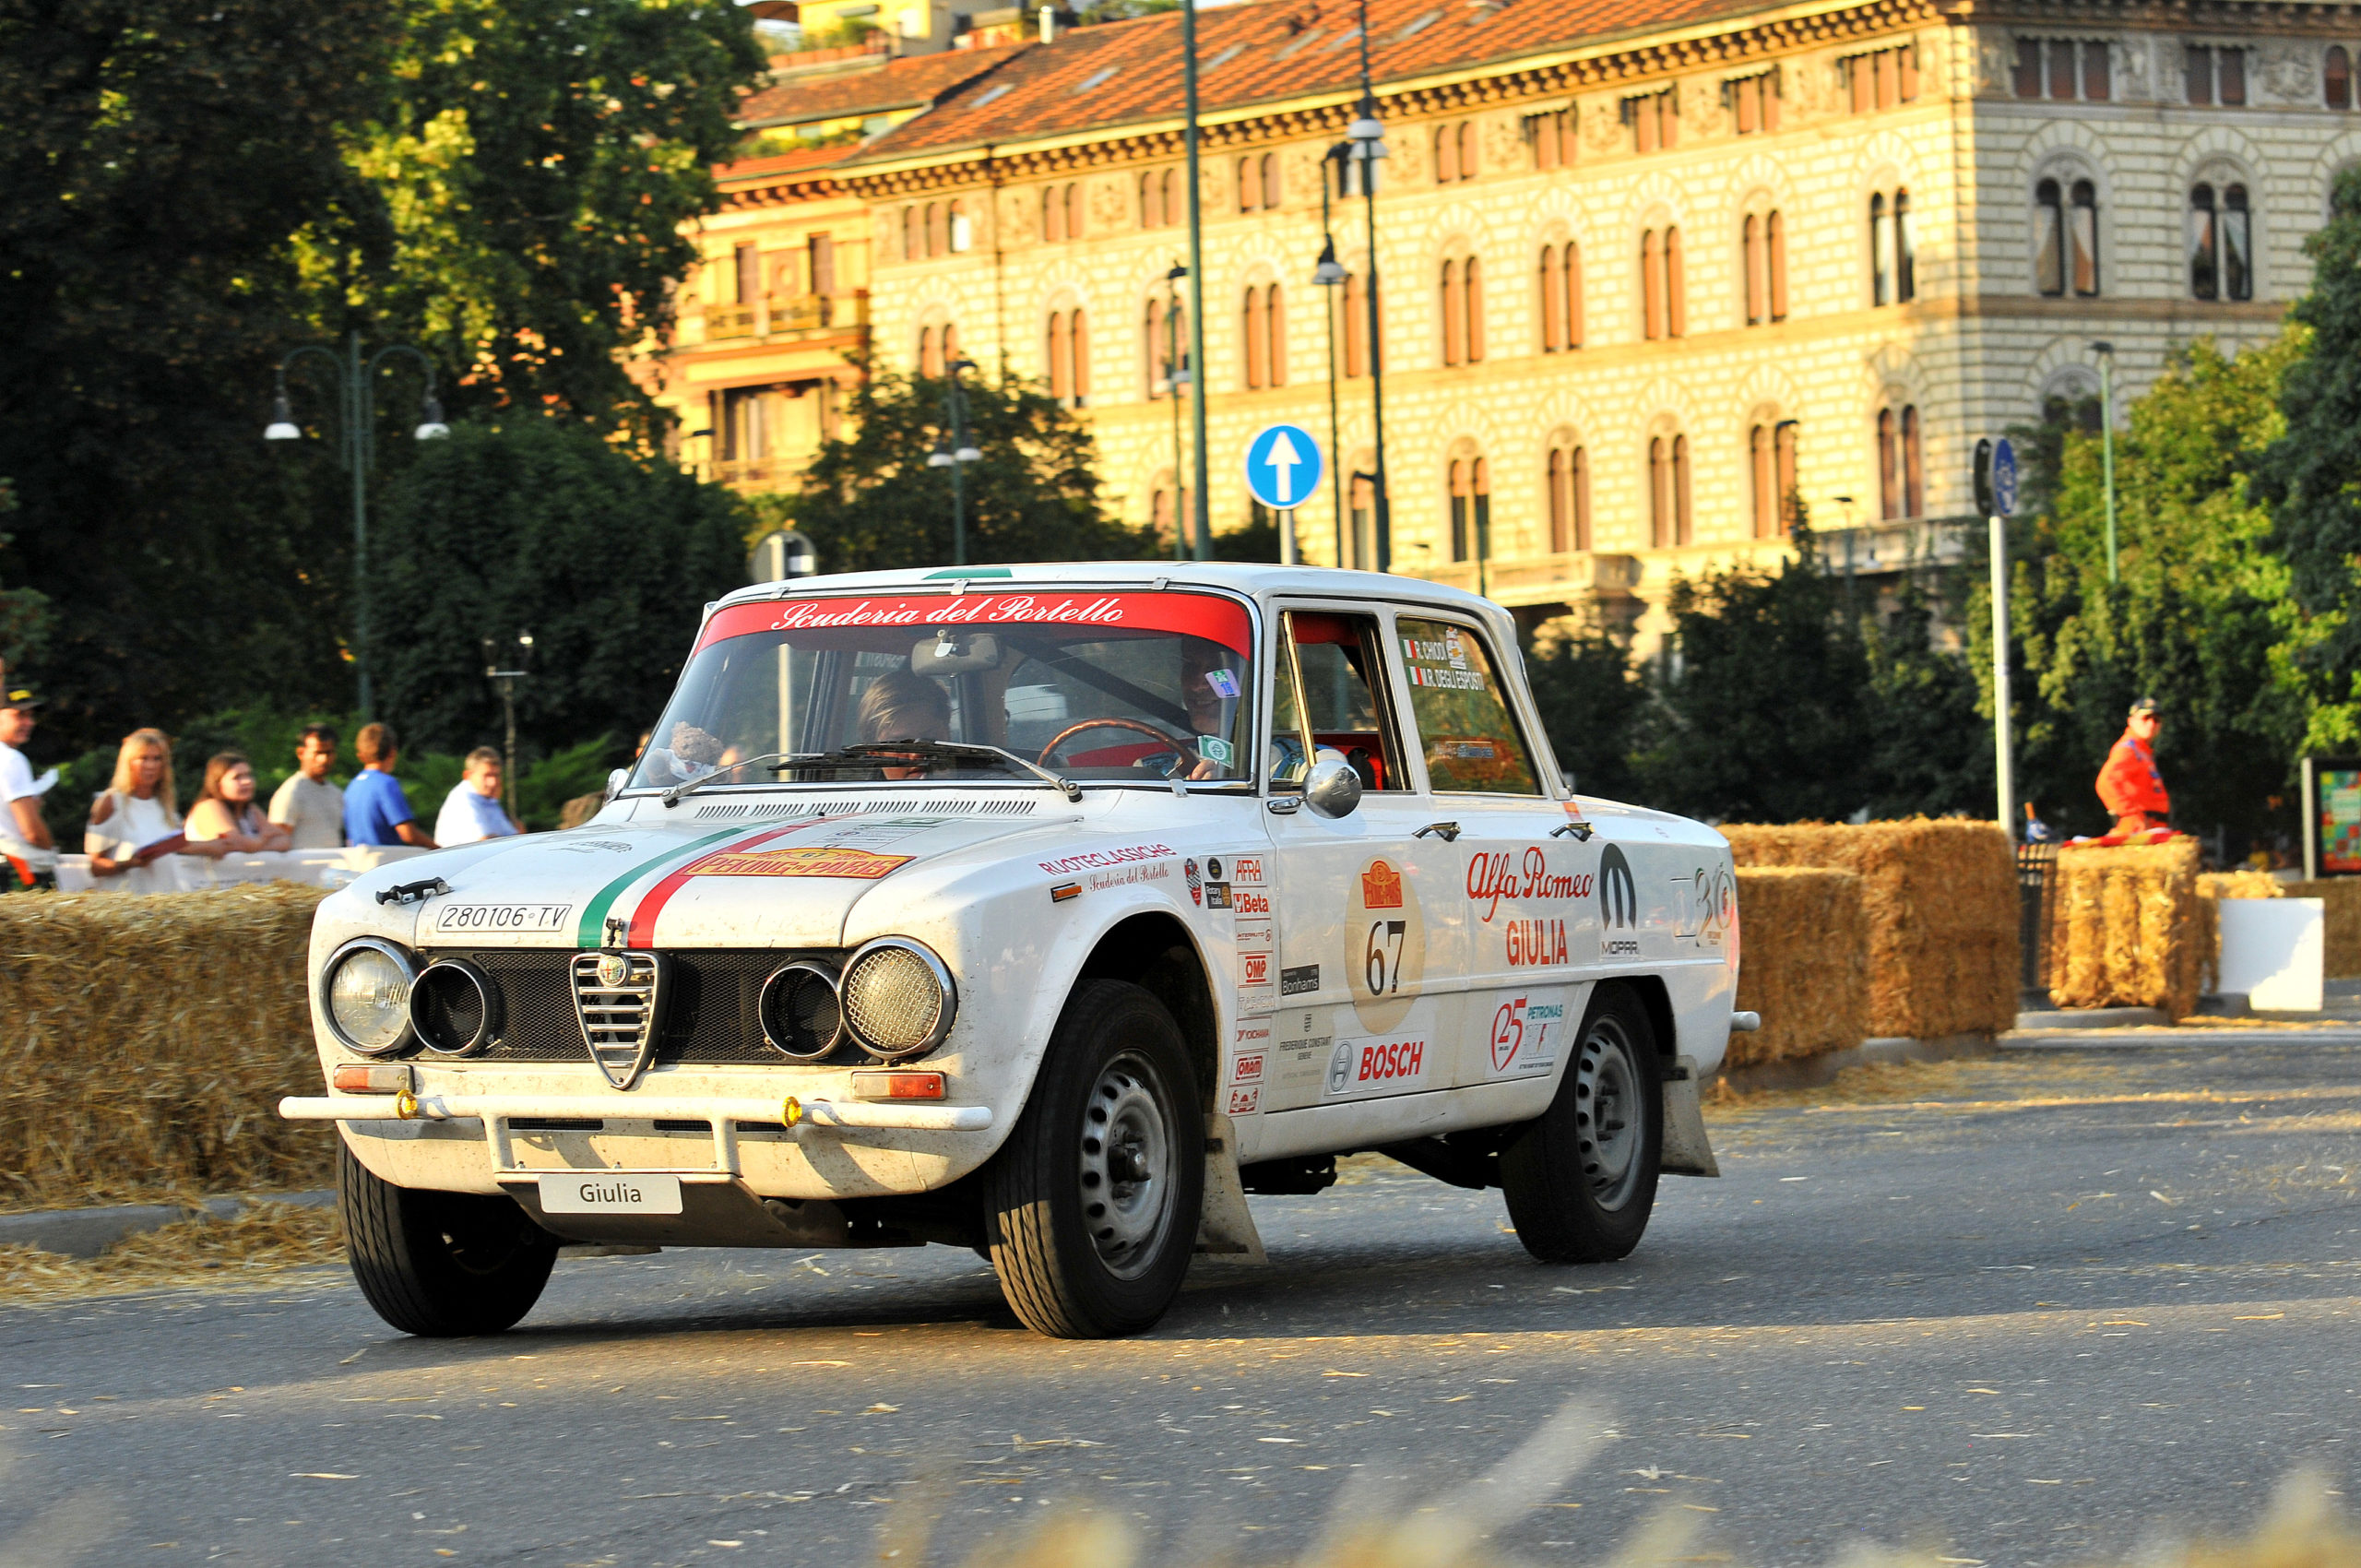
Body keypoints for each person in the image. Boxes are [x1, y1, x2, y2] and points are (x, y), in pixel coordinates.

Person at [86, 729, 188, 891]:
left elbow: (181, 845)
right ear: (129, 762)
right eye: (143, 758)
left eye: (157, 759)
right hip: (130, 901)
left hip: (166, 899)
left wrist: (222, 844)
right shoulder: (112, 802)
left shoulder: (165, 803)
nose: (151, 765)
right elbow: (95, 865)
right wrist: (129, 863)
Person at [343, 722, 438, 849]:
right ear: (392, 752)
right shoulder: (386, 784)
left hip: (357, 863)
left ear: (360, 755)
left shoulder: (352, 786)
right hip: (385, 862)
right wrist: (439, 849)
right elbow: (408, 834)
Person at [0, 686, 57, 892]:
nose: (29, 723)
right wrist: (51, 852)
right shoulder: (12, 760)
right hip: (15, 871)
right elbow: (32, 832)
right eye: (19, 715)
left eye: (30, 716)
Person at [185, 752, 291, 853]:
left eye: (248, 775)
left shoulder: (251, 810)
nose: (247, 781)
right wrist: (261, 840)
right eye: (237, 777)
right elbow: (232, 843)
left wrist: (253, 846)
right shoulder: (208, 807)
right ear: (218, 784)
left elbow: (284, 841)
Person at [855, 670, 952, 779]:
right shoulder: (846, 795)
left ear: (947, 736)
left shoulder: (974, 787)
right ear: (875, 753)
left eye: (929, 740)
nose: (917, 755)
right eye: (901, 745)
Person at [2096, 696, 2170, 837]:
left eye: (2157, 719)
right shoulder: (2128, 749)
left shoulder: (2142, 751)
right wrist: (2131, 813)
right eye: (2146, 718)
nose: (2151, 724)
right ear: (2131, 721)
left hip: (2151, 830)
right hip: (2137, 831)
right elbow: (2106, 782)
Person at [268, 725, 346, 849]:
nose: (323, 759)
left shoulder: (335, 793)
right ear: (301, 753)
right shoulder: (292, 791)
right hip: (302, 868)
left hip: (334, 867)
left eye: (328, 753)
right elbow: (277, 840)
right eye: (317, 753)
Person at [435, 746, 523, 845]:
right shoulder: (464, 800)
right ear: (467, 776)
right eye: (487, 775)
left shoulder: (486, 798)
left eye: (497, 775)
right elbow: (486, 842)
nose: (493, 782)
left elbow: (517, 834)